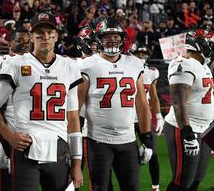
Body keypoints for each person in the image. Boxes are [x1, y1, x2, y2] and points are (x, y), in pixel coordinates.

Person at [0, 12, 84, 190]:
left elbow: (73, 118)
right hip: (25, 147)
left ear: (56, 36)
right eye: (40, 32)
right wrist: (9, 136)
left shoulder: (69, 66)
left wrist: (77, 164)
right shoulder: (16, 64)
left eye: (49, 32)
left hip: (58, 149)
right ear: (31, 36)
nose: (45, 36)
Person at [77, 18, 153, 191]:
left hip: (128, 139)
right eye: (107, 36)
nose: (112, 40)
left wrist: (147, 138)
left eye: (116, 36)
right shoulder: (88, 65)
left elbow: (141, 104)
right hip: (98, 140)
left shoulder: (134, 63)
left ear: (122, 38)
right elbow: (76, 106)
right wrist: (72, 139)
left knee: (132, 187)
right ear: (98, 39)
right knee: (100, 188)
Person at [164, 31, 214, 191]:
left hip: (205, 128)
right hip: (185, 128)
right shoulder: (184, 63)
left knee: (197, 178)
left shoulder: (203, 65)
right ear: (201, 46)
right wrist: (187, 132)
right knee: (182, 181)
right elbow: (178, 102)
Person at [0, 28, 31, 191]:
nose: (25, 44)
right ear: (9, 44)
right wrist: (4, 136)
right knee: (6, 182)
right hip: (7, 128)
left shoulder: (35, 62)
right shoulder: (2, 61)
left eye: (28, 41)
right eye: (19, 40)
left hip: (30, 131)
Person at [130, 42, 164, 191]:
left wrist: (158, 115)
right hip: (128, 119)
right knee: (129, 157)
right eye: (138, 54)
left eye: (144, 55)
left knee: (152, 154)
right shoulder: (125, 70)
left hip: (144, 118)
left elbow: (154, 96)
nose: (142, 57)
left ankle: (155, 187)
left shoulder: (151, 72)